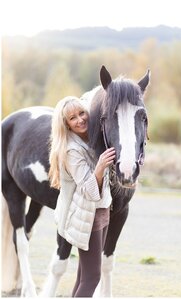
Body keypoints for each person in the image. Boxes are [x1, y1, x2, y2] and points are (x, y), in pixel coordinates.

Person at [48, 96, 115, 297]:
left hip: (101, 211)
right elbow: (91, 192)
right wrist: (101, 166)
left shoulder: (92, 137)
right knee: (92, 277)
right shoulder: (71, 150)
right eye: (72, 118)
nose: (80, 120)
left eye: (82, 113)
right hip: (86, 217)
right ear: (66, 125)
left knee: (83, 276)